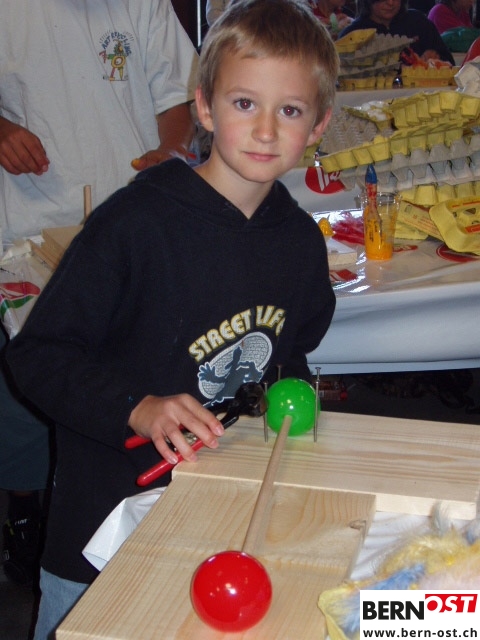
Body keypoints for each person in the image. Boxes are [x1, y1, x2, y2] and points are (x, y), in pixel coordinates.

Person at [5, 0, 337, 636]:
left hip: (222, 515)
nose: (266, 130)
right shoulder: (135, 225)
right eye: (245, 103)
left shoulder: (299, 243)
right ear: (204, 108)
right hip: (103, 530)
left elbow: (289, 351)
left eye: (290, 110)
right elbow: (39, 357)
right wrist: (136, 407)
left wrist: (292, 398)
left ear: (318, 123)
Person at [0, 0, 198, 588]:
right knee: (34, 368)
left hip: (133, 212)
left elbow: (176, 96)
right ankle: (27, 510)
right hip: (32, 223)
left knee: (129, 367)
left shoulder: (143, 4)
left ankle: (131, 510)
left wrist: (171, 153)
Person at [338, 0, 455, 64]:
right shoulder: (352, 33)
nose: (391, 3)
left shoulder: (419, 22)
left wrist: (436, 58)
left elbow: (450, 62)